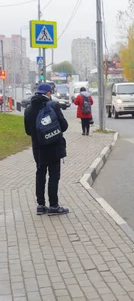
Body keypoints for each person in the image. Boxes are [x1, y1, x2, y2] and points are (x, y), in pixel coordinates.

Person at [24, 83, 70, 216]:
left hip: (38, 148)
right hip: (54, 146)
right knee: (54, 176)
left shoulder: (28, 109)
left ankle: (41, 205)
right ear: (48, 93)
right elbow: (64, 126)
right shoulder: (53, 105)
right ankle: (54, 206)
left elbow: (28, 131)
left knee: (40, 173)